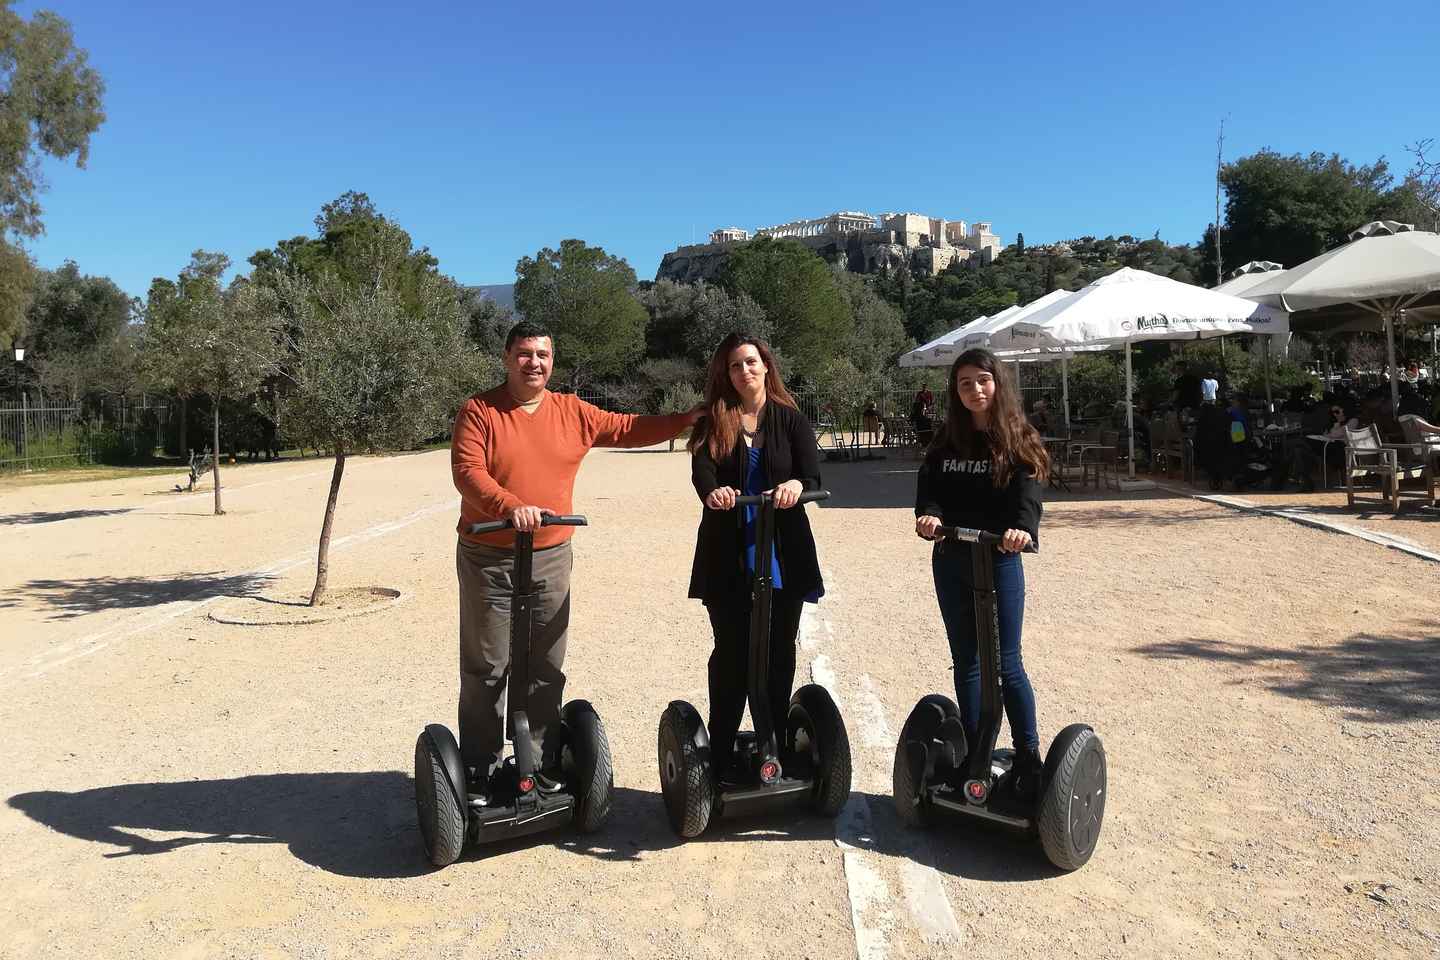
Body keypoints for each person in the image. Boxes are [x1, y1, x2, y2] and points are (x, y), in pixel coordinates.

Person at [451, 320, 701, 800]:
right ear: (507, 358)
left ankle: (543, 762)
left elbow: (626, 428)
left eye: (542, 355)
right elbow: (467, 471)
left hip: (550, 554)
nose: (534, 363)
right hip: (490, 555)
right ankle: (481, 768)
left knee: (546, 662)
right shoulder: (479, 411)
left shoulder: (571, 411)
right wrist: (509, 506)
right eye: (525, 354)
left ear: (552, 361)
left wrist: (684, 419)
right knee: (487, 666)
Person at [687, 332, 825, 782]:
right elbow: (702, 471)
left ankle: (776, 740)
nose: (744, 370)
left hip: (781, 547)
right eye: (734, 365)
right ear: (725, 374)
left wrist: (797, 486)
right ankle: (721, 747)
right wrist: (714, 492)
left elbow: (811, 474)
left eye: (750, 362)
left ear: (766, 365)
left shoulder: (791, 419)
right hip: (729, 548)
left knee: (779, 649)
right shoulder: (715, 420)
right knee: (732, 650)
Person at [914, 348, 1049, 804]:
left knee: (1007, 662)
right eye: (965, 382)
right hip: (952, 556)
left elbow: (1029, 490)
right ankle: (976, 753)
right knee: (967, 659)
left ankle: (1029, 757)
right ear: (956, 390)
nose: (975, 390)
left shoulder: (1018, 437)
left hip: (999, 558)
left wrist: (1022, 528)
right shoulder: (946, 440)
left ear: (998, 383)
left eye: (983, 380)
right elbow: (929, 488)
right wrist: (929, 516)